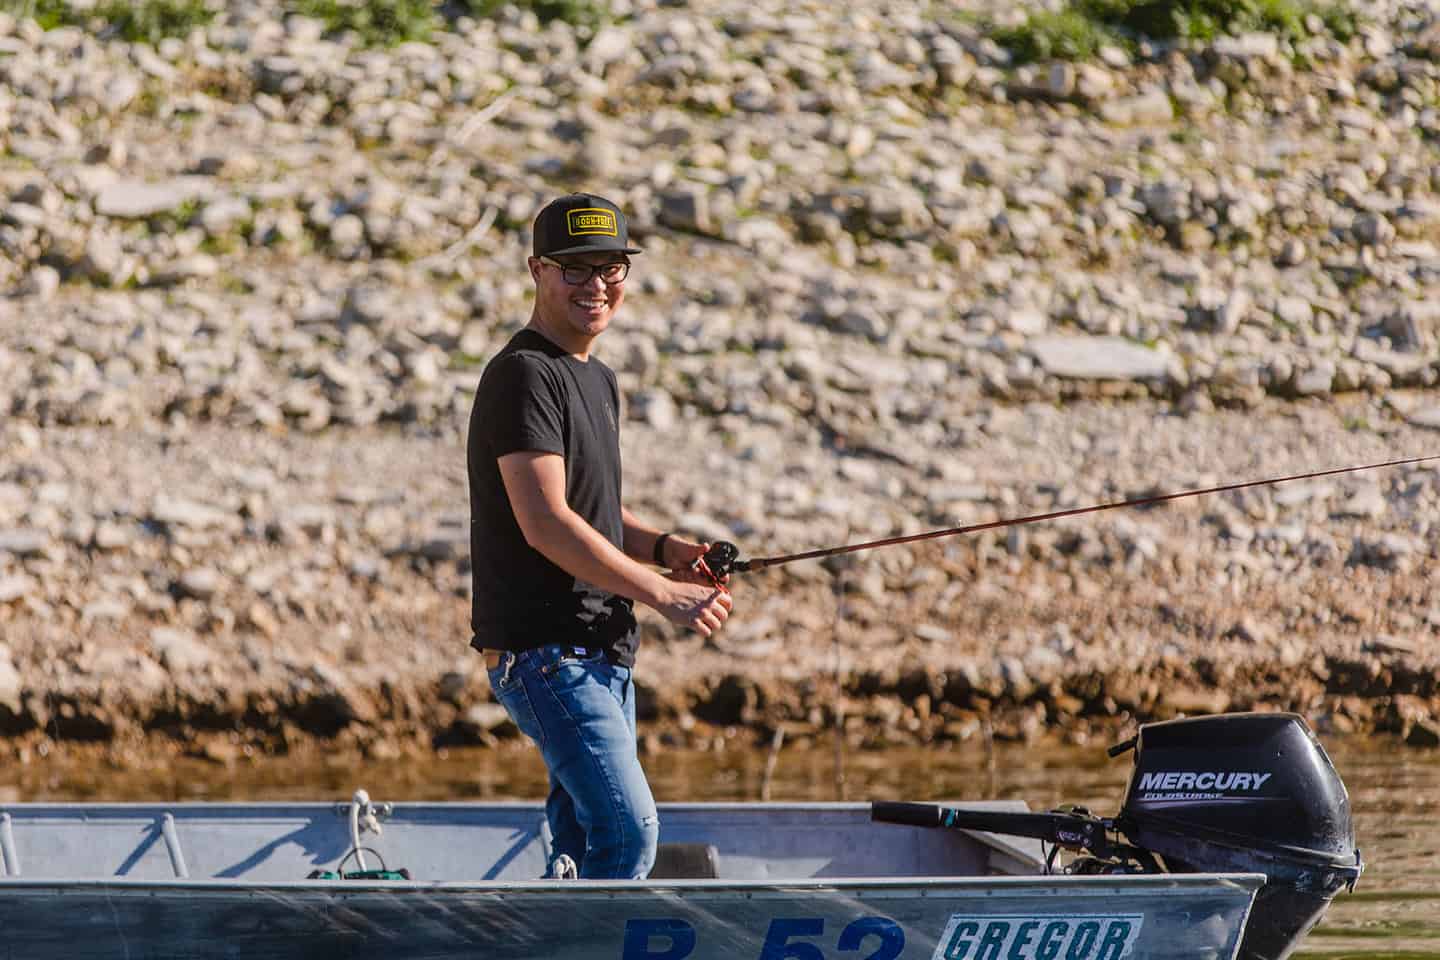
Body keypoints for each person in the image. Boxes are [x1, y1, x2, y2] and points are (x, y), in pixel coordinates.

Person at [466, 193, 735, 880]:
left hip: (603, 653)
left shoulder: (595, 377)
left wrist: (668, 550)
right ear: (537, 271)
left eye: (610, 268)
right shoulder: (522, 375)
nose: (595, 287)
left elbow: (594, 510)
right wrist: (662, 594)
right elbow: (547, 523)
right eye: (574, 270)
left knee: (583, 846)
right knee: (628, 830)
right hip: (547, 656)